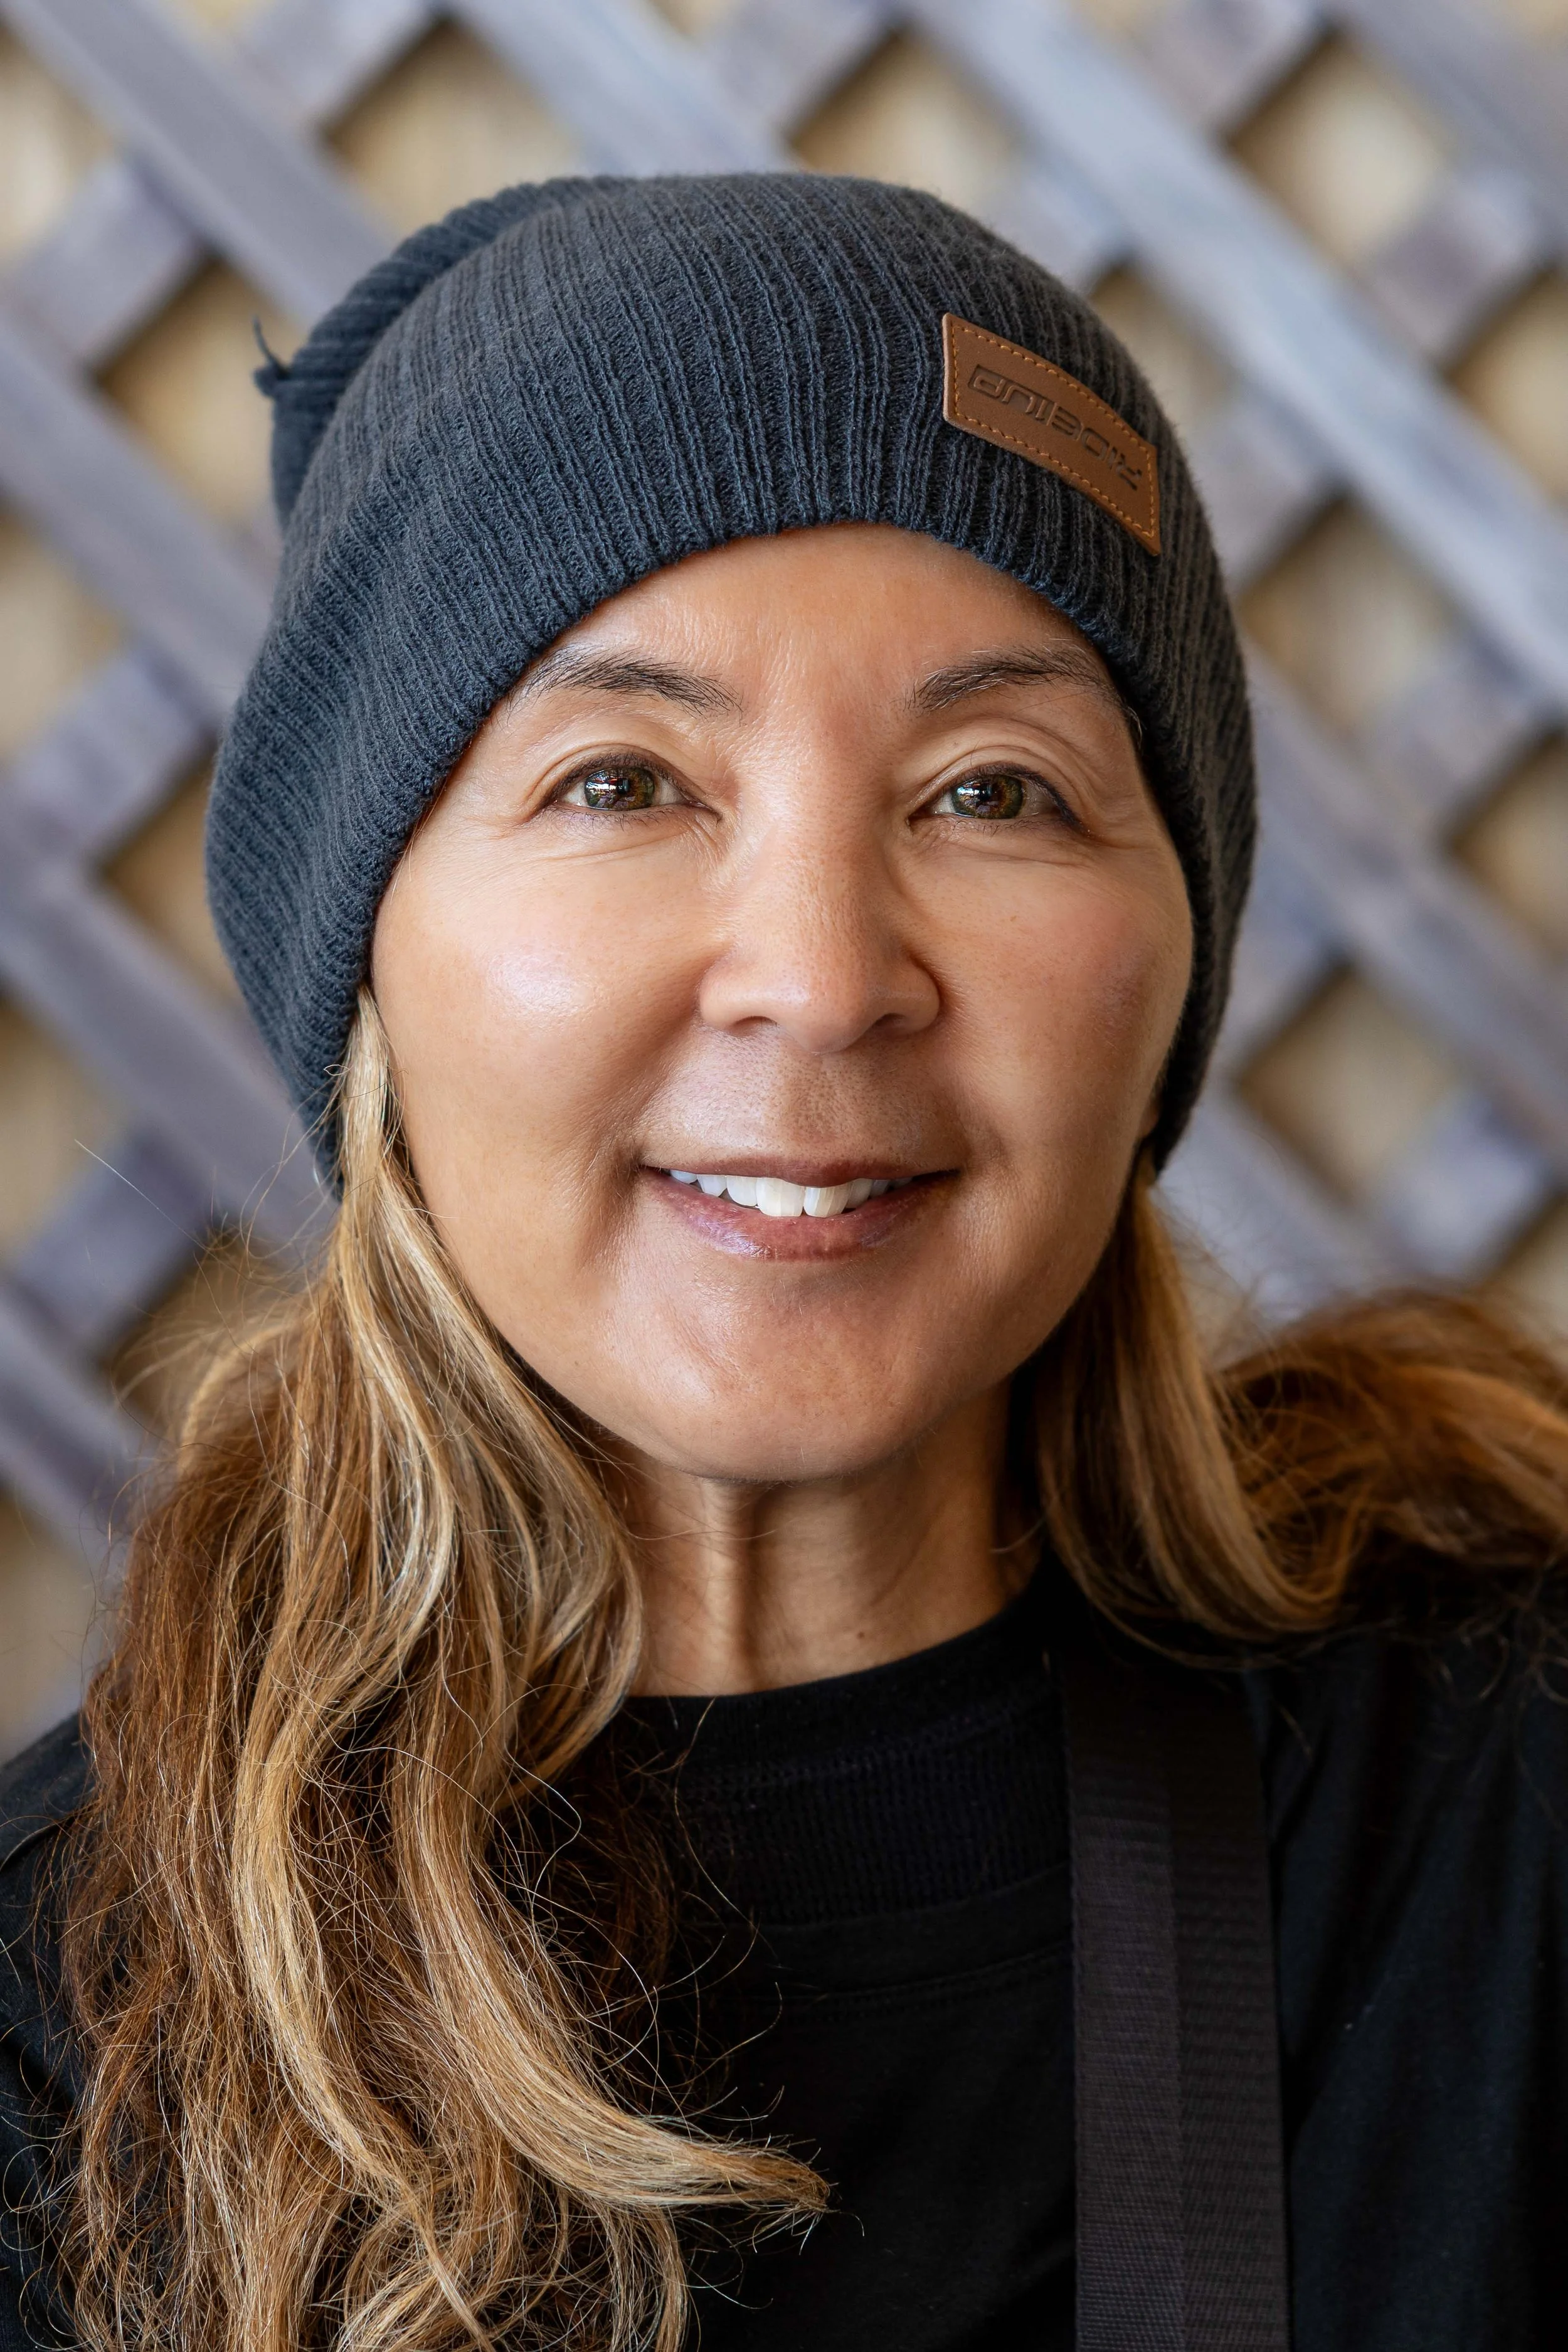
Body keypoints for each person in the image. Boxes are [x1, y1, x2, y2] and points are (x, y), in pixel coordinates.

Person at [1, 174, 1565, 2352]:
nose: (822, 984)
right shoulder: (59, 2043)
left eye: (994, 790)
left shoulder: (1496, 1800)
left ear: (1169, 968)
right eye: (623, 777)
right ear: (372, 966)